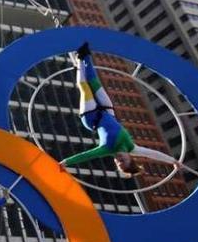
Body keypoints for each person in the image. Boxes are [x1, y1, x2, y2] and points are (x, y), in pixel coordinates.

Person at [59, 43, 183, 177]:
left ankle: (79, 60)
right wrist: (173, 161)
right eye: (123, 160)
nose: (118, 159)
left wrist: (66, 162)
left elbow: (86, 156)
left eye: (117, 162)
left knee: (84, 86)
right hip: (108, 112)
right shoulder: (132, 147)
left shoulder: (106, 149)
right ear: (131, 158)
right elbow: (153, 154)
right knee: (94, 82)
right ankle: (85, 55)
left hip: (91, 118)